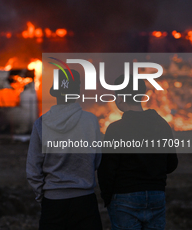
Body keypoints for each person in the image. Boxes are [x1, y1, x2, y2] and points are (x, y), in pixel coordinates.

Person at [98, 75, 178, 230]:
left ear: (120, 98)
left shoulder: (115, 129)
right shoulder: (162, 124)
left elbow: (106, 170)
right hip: (156, 195)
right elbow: (172, 163)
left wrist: (107, 198)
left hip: (124, 197)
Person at [26, 69, 102, 230]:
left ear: (55, 93)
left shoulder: (41, 123)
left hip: (53, 203)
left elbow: (33, 170)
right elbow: (97, 160)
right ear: (77, 92)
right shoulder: (90, 121)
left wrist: (44, 196)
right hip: (84, 202)